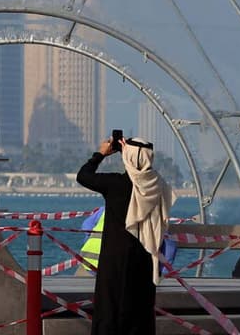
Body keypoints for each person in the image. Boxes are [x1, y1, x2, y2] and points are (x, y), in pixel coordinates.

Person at [77, 135, 172, 335]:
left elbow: (83, 175)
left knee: (109, 312)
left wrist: (101, 154)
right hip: (145, 256)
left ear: (127, 157)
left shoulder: (115, 183)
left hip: (114, 259)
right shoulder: (158, 184)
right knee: (139, 314)